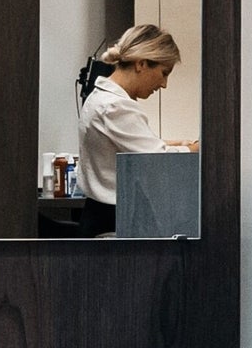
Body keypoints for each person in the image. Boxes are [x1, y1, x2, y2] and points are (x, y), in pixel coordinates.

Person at [74, 24, 194, 219]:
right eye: (164, 73)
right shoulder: (116, 107)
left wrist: (178, 142)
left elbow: (130, 144)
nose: (164, 84)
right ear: (142, 64)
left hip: (99, 212)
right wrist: (198, 149)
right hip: (113, 217)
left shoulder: (101, 97)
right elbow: (157, 159)